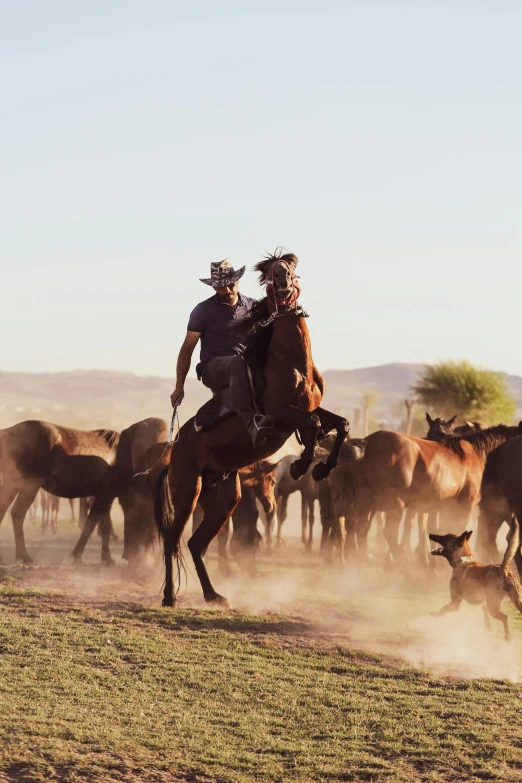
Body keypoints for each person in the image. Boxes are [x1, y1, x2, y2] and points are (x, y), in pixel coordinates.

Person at [170, 259, 274, 446]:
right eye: (220, 287)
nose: (226, 290)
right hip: (213, 369)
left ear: (238, 281)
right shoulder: (202, 310)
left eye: (229, 285)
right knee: (236, 363)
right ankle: (253, 424)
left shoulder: (253, 307)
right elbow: (187, 349)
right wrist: (179, 386)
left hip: (244, 370)